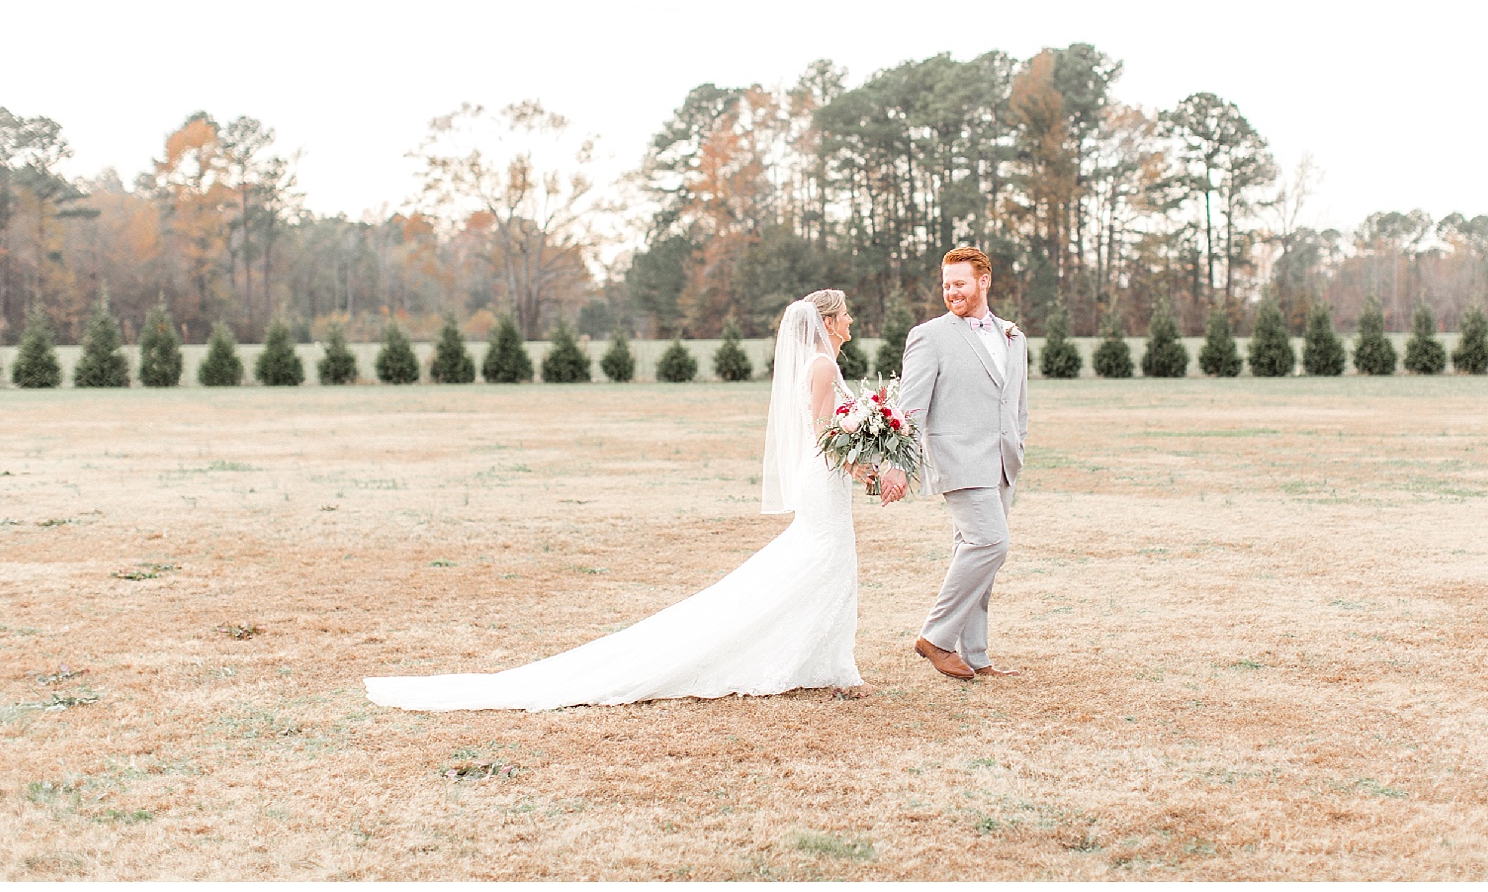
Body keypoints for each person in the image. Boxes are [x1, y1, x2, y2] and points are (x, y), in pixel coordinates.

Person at [364, 291, 871, 710]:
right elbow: (824, 435)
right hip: (824, 480)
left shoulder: (820, 363)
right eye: (845, 314)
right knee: (824, 562)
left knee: (822, 565)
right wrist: (861, 463)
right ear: (828, 321)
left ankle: (823, 661)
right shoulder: (822, 365)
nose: (850, 321)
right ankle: (827, 664)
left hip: (824, 480)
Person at [879, 246, 1028, 681]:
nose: (951, 292)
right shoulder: (929, 336)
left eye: (959, 283)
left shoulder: (1013, 336)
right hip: (957, 461)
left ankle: (977, 656)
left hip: (1002, 461)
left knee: (979, 554)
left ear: (984, 281)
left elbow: (1017, 403)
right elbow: (910, 409)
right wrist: (897, 464)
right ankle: (936, 637)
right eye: (946, 285)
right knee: (990, 544)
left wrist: (1018, 443)